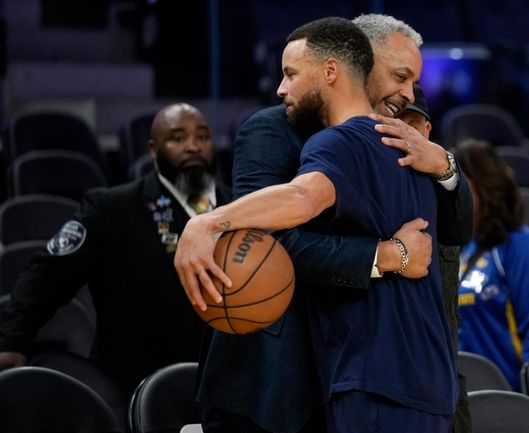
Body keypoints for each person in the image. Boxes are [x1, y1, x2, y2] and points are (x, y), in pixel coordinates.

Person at [190, 15, 473, 433]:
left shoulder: (396, 133)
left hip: (372, 368)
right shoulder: (273, 130)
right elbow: (265, 243)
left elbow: (454, 231)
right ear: (355, 60)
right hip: (278, 381)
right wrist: (384, 256)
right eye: (399, 75)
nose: (407, 91)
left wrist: (444, 164)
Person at [0, 103, 231, 397]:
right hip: (134, 384)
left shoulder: (239, 205)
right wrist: (12, 341)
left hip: (227, 382)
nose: (193, 147)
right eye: (177, 138)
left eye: (203, 137)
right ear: (152, 149)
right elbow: (49, 274)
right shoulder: (111, 208)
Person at [454, 138, 529, 391]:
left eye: (459, 185)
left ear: (484, 187)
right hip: (462, 398)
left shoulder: (519, 245)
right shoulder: (456, 249)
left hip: (510, 399)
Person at [396, 83, 472, 431]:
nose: (404, 132)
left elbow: (462, 225)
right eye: (394, 119)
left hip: (442, 371)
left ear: (427, 131)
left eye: (412, 123)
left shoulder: (443, 189)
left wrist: (443, 163)